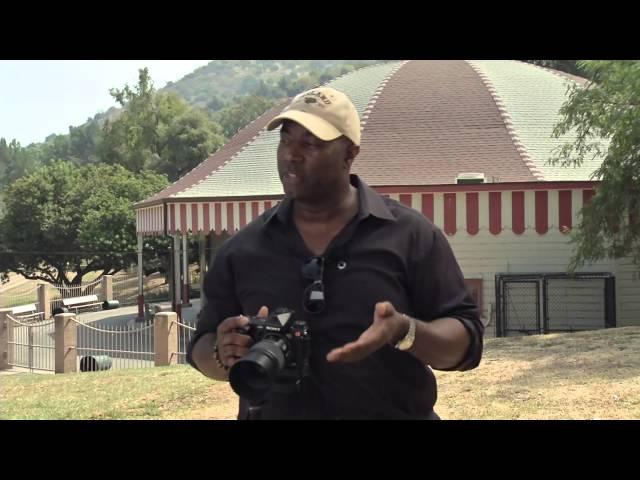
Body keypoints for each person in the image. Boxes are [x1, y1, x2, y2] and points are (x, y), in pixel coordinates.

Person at [187, 86, 483, 419]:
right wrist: (221, 352)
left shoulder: (410, 235)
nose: (292, 155)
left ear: (350, 153)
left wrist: (405, 331)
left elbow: (466, 343)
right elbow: (200, 345)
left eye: (310, 143)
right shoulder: (242, 250)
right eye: (286, 140)